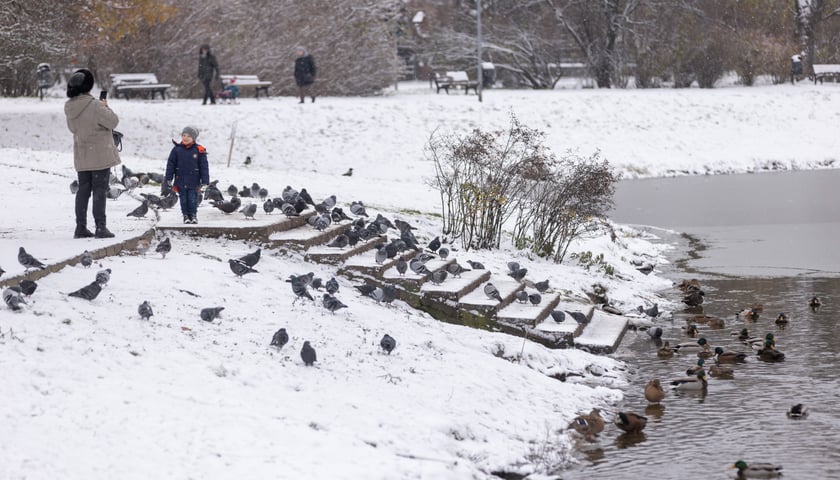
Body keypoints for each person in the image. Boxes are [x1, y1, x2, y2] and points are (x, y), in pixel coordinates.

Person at [64, 68, 120, 239]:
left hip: (82, 154)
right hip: (100, 155)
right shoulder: (95, 105)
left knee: (83, 190)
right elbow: (113, 122)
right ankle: (100, 227)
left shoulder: (70, 106)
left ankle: (80, 227)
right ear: (88, 86)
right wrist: (106, 107)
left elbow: (72, 128)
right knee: (100, 190)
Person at [165, 126, 209, 224]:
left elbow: (204, 167)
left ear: (193, 138)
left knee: (192, 199)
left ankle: (193, 215)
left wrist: (205, 181)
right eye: (184, 135)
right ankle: (185, 215)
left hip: (194, 180)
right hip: (180, 180)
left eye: (188, 136)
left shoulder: (199, 150)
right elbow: (170, 164)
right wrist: (168, 178)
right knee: (183, 199)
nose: (185, 138)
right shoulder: (177, 150)